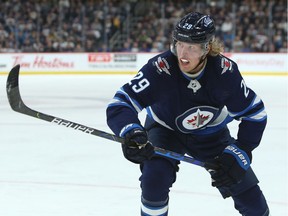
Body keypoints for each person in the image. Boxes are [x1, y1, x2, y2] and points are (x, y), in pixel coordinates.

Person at [106, 12, 270, 216]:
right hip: (164, 131)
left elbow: (255, 114)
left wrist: (241, 151)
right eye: (179, 44)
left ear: (207, 48)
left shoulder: (224, 73)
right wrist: (131, 131)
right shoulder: (160, 69)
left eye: (191, 47)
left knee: (253, 203)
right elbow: (121, 102)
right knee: (154, 180)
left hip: (211, 135)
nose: (183, 53)